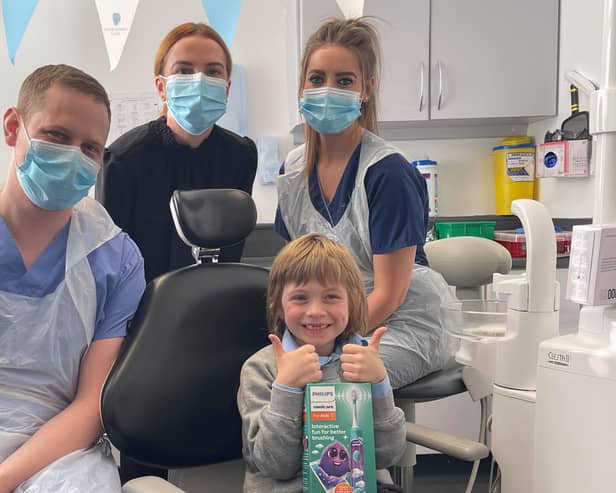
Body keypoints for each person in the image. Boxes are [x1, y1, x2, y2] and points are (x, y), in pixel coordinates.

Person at [275, 18, 453, 389]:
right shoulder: (293, 171)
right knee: (263, 372)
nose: (328, 90)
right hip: (329, 322)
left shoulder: (388, 173)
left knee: (328, 384)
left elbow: (390, 294)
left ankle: (376, 449)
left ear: (366, 89)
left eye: (344, 81)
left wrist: (323, 345)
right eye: (317, 78)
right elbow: (297, 273)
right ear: (302, 87)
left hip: (400, 323)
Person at [0, 64, 145, 492]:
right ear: (13, 127)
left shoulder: (117, 259)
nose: (73, 156)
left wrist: (5, 479)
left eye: (90, 148)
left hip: (58, 451)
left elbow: (90, 404)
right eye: (58, 136)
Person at [238, 233, 406, 492]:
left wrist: (380, 384)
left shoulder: (361, 362)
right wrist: (286, 387)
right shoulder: (261, 369)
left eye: (331, 297)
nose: (316, 310)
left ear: (352, 303)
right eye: (300, 298)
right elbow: (274, 465)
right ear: (279, 307)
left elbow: (387, 456)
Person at [99, 22, 258, 283]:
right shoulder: (123, 159)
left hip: (219, 303)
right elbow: (109, 260)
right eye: (184, 71)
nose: (199, 80)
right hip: (143, 312)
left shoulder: (241, 156)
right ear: (162, 87)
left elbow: (233, 249)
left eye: (212, 71)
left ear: (227, 88)